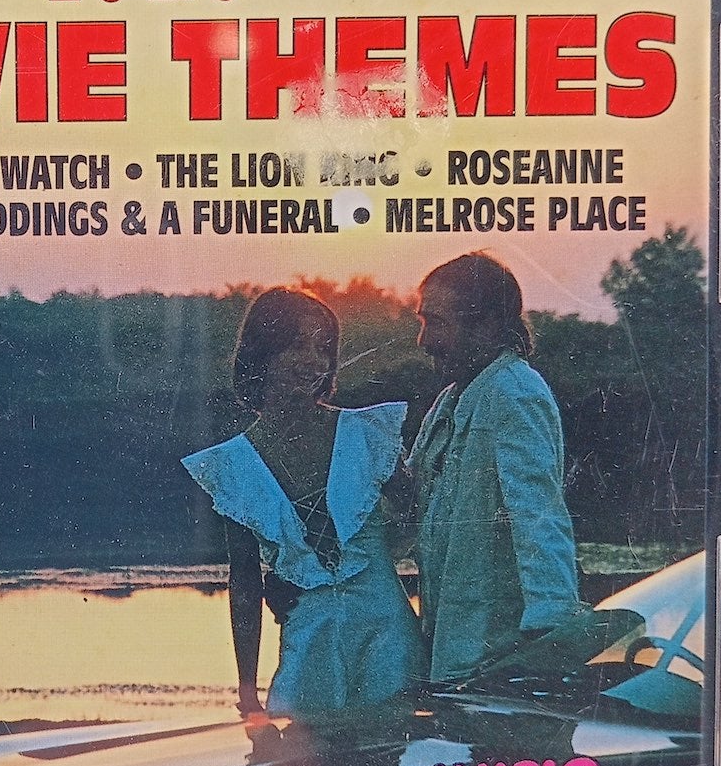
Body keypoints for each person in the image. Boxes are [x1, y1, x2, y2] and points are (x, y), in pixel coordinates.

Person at [183, 287, 425, 725]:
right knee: (303, 761)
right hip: (308, 648)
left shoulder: (367, 434)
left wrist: (377, 558)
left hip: (390, 641)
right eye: (297, 345)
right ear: (261, 352)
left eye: (323, 348)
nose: (314, 361)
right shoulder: (233, 467)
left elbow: (425, 521)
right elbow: (244, 583)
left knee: (390, 755)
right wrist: (247, 692)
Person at [408, 253, 580, 682]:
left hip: (500, 663)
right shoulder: (450, 401)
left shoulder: (514, 392)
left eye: (436, 323)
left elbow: (539, 517)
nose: (423, 340)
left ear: (486, 326)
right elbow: (407, 508)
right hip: (456, 653)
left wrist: (549, 636)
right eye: (423, 322)